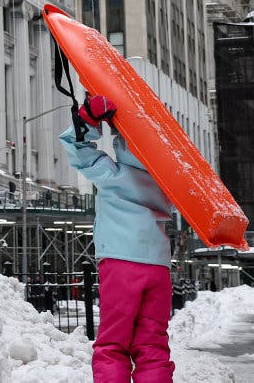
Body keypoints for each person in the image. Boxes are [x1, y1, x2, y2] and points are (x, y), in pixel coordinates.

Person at [60, 94, 176, 383]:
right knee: (153, 347)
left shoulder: (113, 174)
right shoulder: (167, 184)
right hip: (158, 267)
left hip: (121, 265)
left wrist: (89, 119)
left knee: (113, 345)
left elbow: (77, 148)